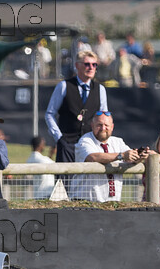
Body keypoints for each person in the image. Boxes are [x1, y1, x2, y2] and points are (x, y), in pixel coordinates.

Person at [45, 50, 108, 190]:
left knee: (89, 183)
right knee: (64, 184)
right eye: (87, 64)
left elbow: (103, 117)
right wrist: (59, 137)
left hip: (90, 143)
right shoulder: (64, 86)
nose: (91, 68)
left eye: (94, 64)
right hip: (67, 142)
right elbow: (49, 113)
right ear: (77, 66)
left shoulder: (100, 89)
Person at [71, 111, 144, 202]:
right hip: (84, 202)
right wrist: (121, 155)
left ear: (112, 127)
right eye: (99, 125)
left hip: (112, 204)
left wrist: (139, 156)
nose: (103, 128)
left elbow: (130, 158)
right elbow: (93, 157)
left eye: (106, 125)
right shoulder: (85, 140)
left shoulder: (118, 142)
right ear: (92, 125)